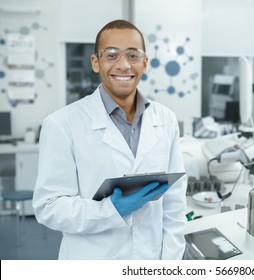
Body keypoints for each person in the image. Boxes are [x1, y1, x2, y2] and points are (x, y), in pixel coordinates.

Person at [33, 20, 187, 259]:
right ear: (96, 62)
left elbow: (174, 205)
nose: (124, 65)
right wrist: (110, 210)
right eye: (111, 55)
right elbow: (49, 207)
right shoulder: (62, 124)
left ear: (145, 63)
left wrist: (169, 264)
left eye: (133, 55)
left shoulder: (165, 119)